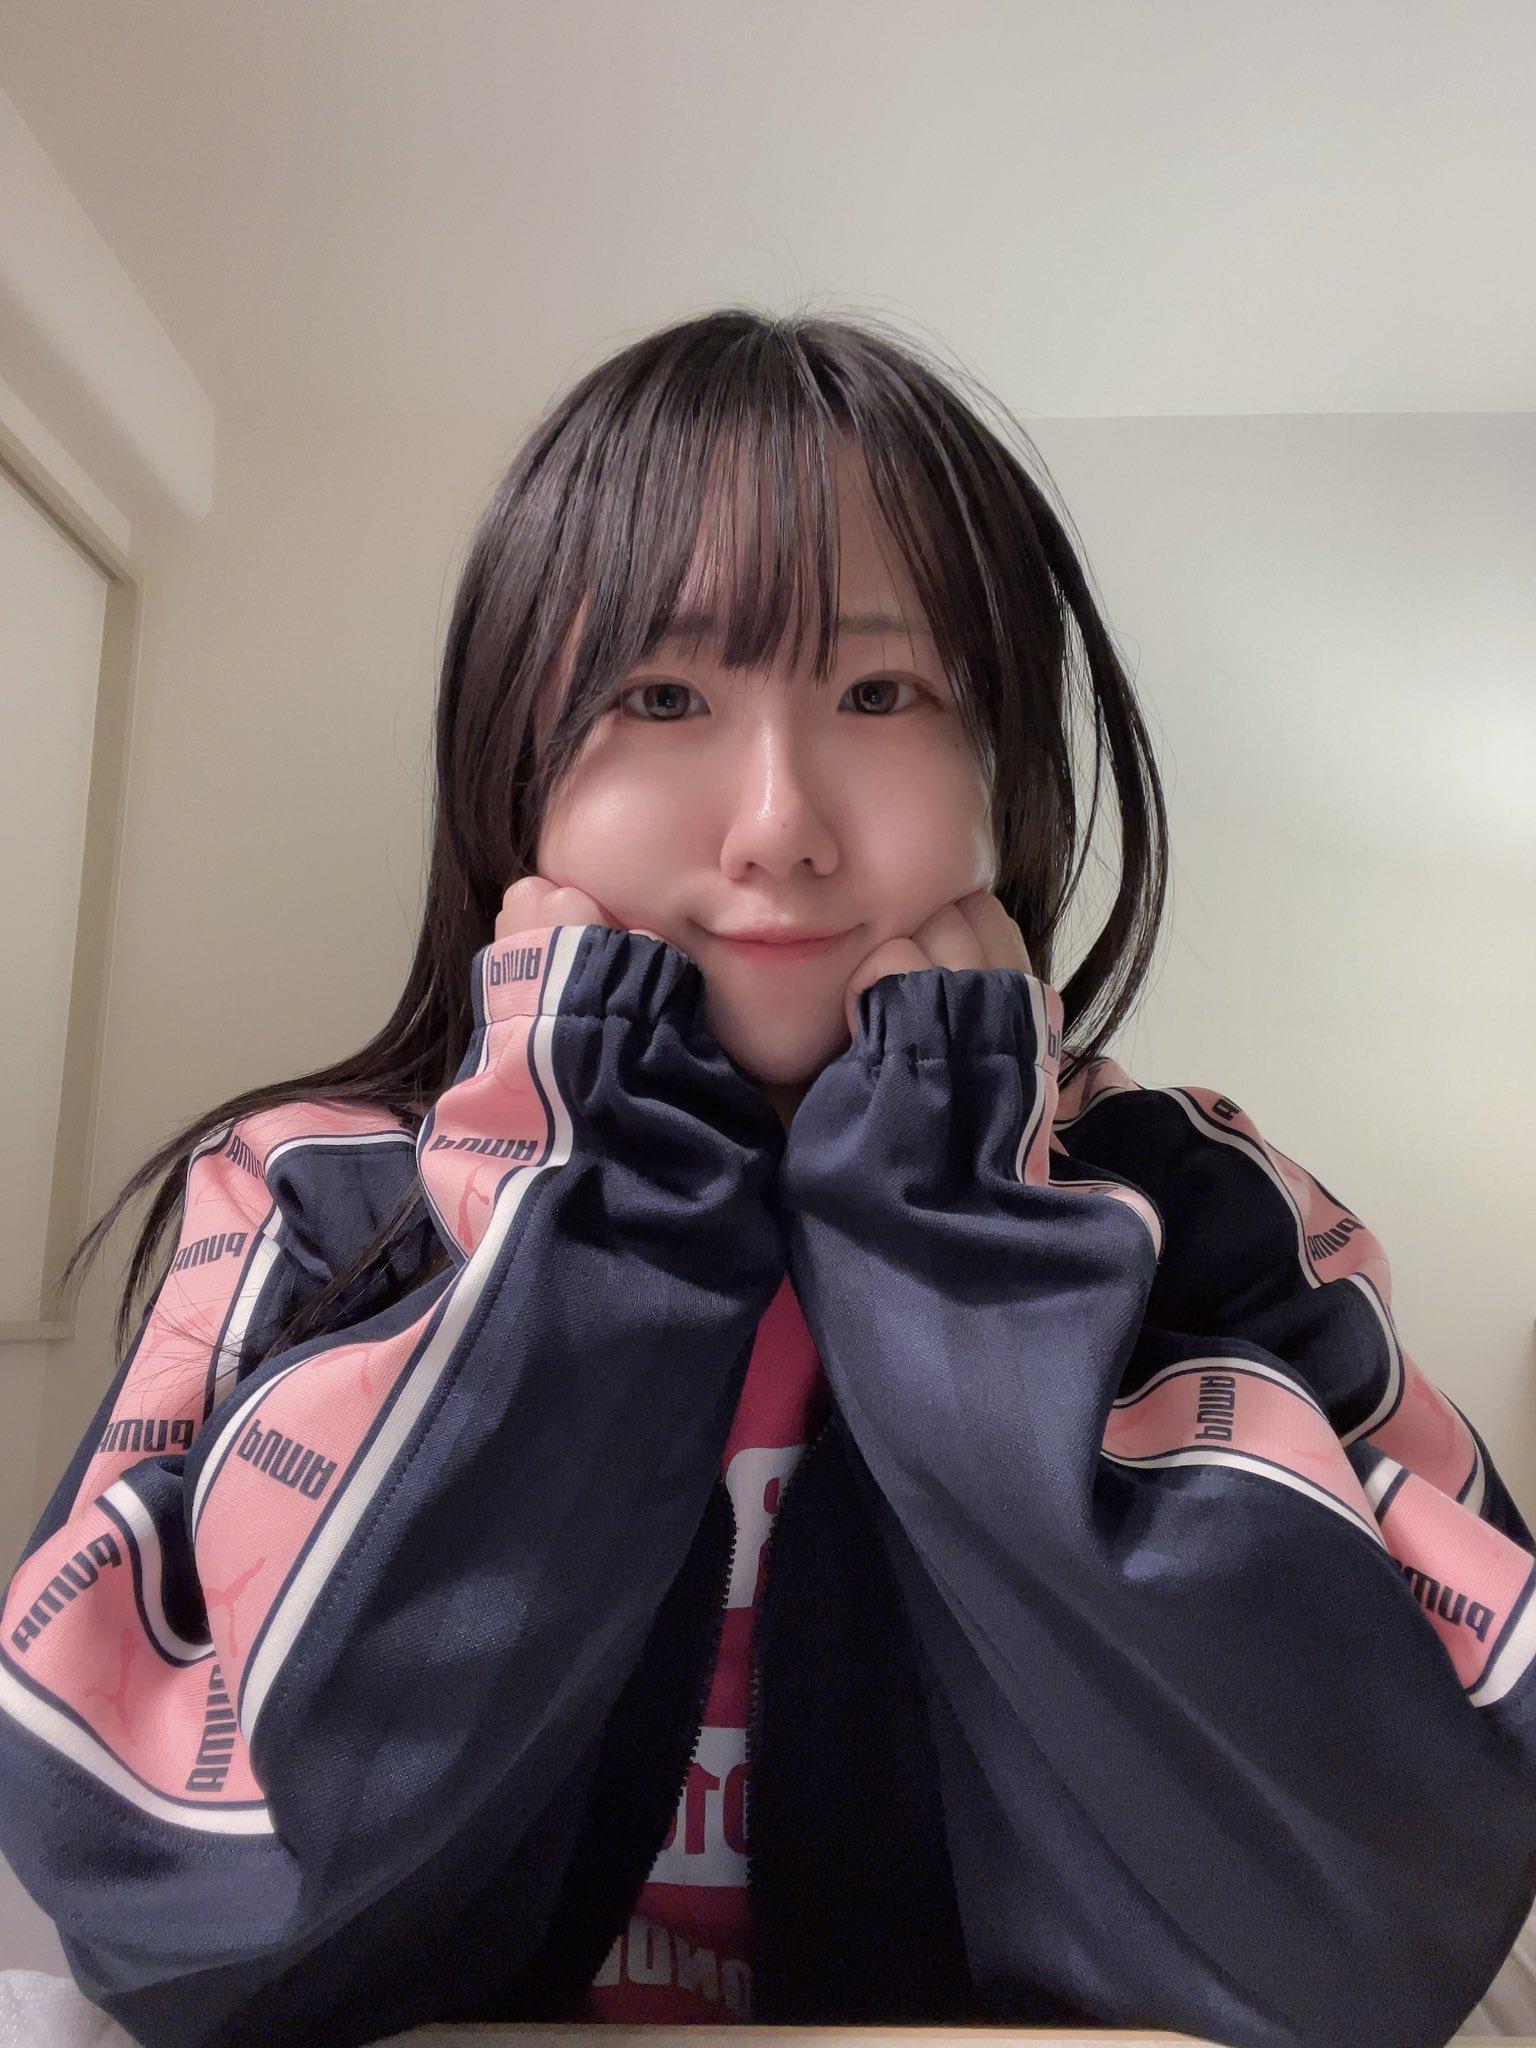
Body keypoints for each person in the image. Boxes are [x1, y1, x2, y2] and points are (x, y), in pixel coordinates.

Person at [2, 306, 1532, 2048]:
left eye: (882, 694)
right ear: (511, 771)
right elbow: (181, 1928)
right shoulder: (308, 1198)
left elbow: (1380, 1927)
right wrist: (591, 1205)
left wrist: (960, 1234)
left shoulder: (1203, 1210)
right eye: (661, 696)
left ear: (1008, 773)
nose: (780, 824)